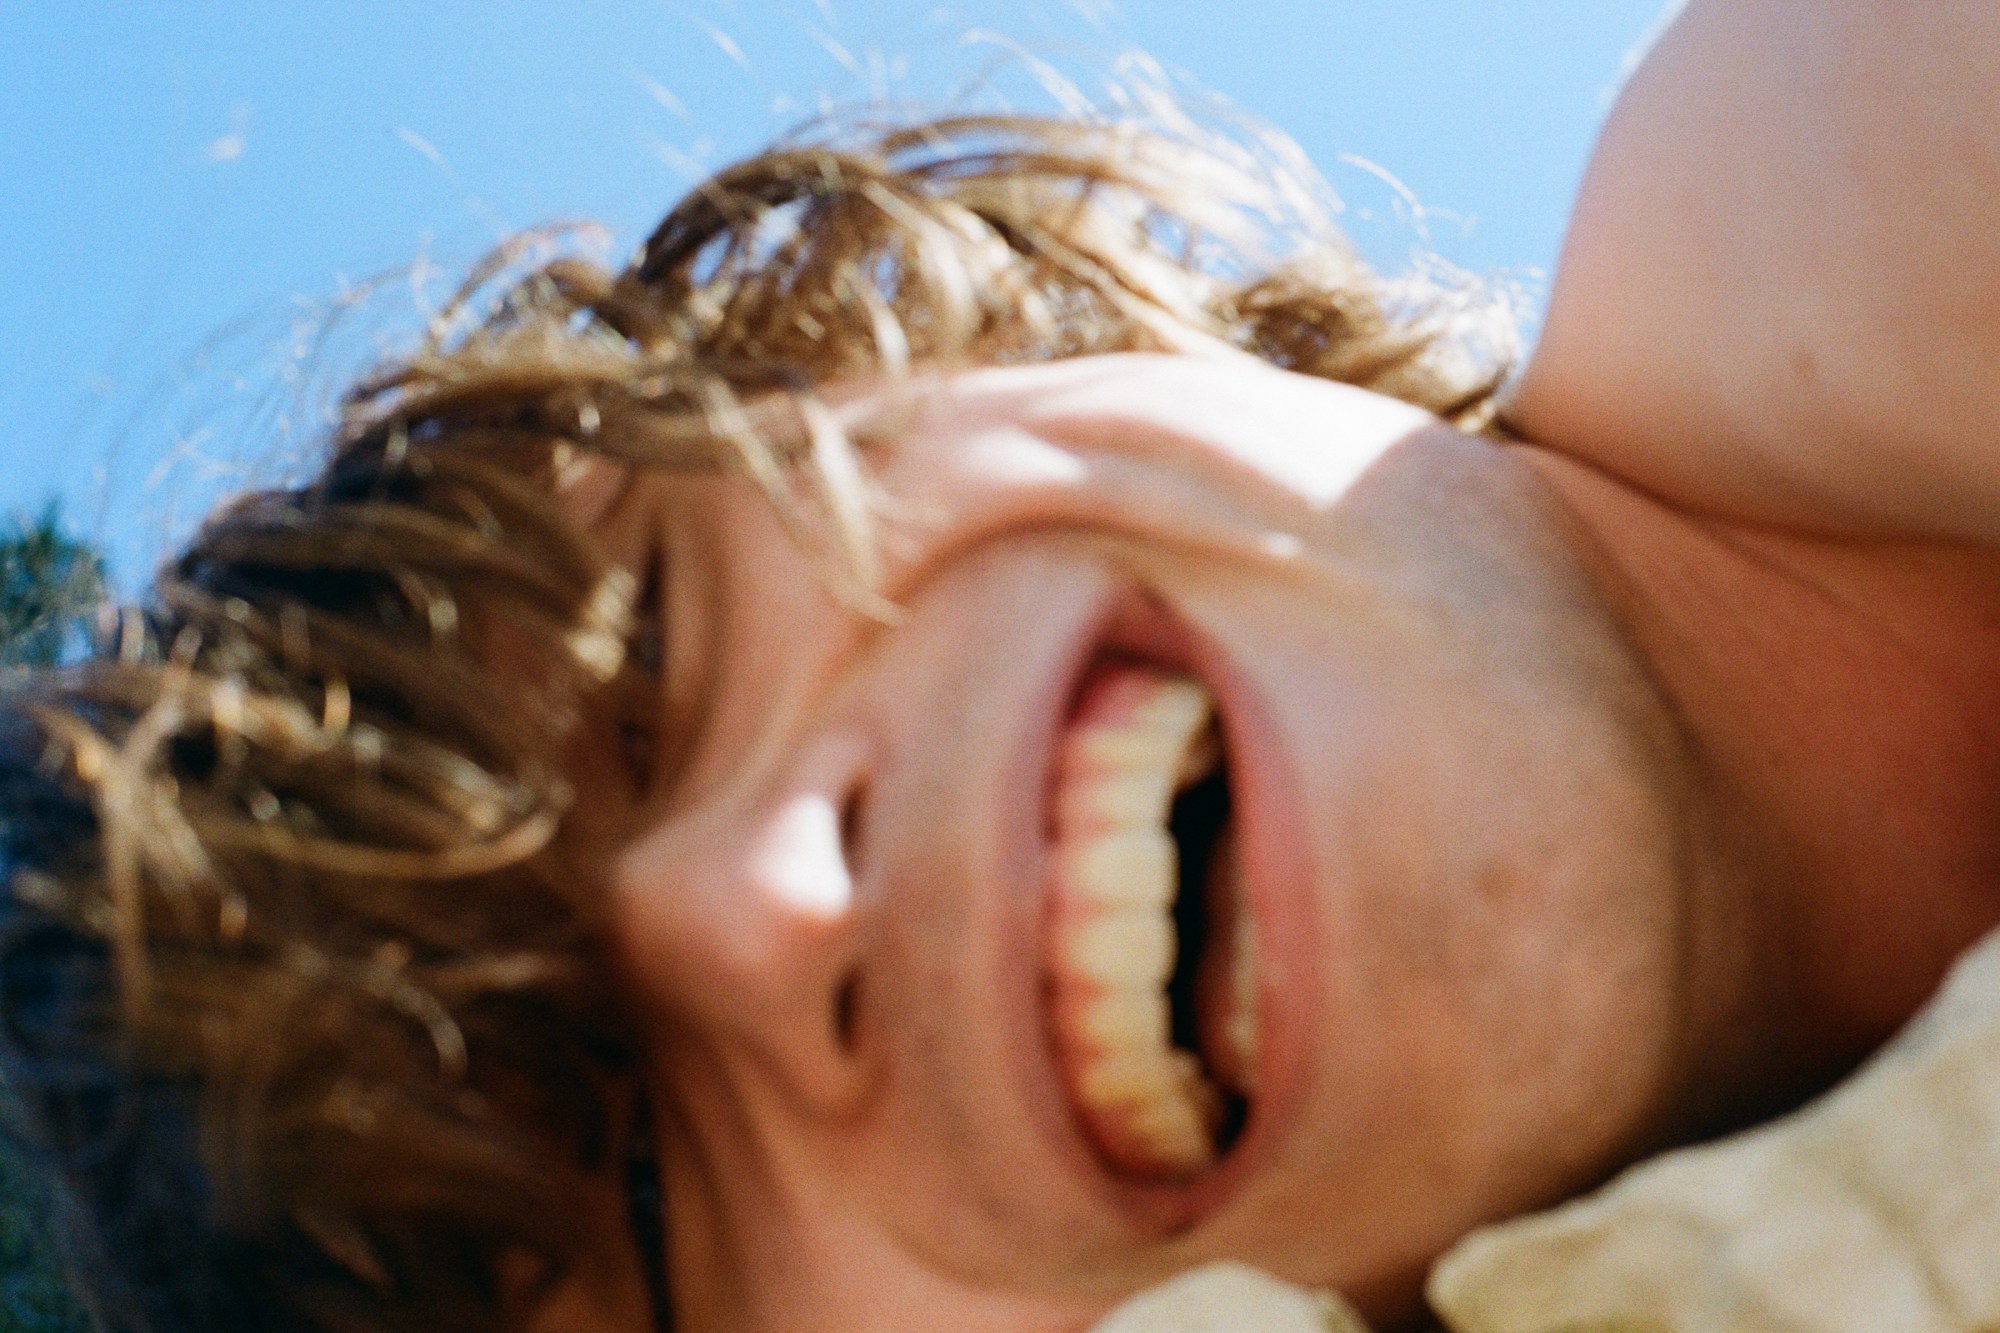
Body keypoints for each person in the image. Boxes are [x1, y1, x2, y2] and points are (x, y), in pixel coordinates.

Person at [5, 1, 1999, 1329]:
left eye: (657, 661)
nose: (759, 907)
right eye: (640, 1195)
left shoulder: (1868, 162)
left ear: (993, 343)